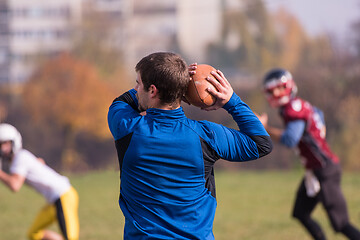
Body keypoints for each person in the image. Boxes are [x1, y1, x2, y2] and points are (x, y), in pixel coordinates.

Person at [107, 52, 272, 239]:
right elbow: (261, 144)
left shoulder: (126, 128)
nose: (135, 89)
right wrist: (231, 101)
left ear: (153, 91)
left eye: (138, 83)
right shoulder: (206, 135)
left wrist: (172, 82)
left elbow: (122, 102)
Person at [257, 68, 360, 240]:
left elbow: (290, 139)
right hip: (316, 169)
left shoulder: (293, 109)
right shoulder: (299, 105)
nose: (272, 94)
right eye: (270, 91)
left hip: (324, 171)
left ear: (286, 87)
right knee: (300, 213)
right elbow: (319, 114)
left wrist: (265, 129)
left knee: (341, 224)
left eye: (275, 89)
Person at [0, 123, 79, 240]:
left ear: (14, 142)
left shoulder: (20, 157)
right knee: (34, 234)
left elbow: (14, 185)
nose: (2, 149)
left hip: (63, 195)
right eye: (0, 145)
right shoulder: (21, 158)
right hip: (54, 200)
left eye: (5, 144)